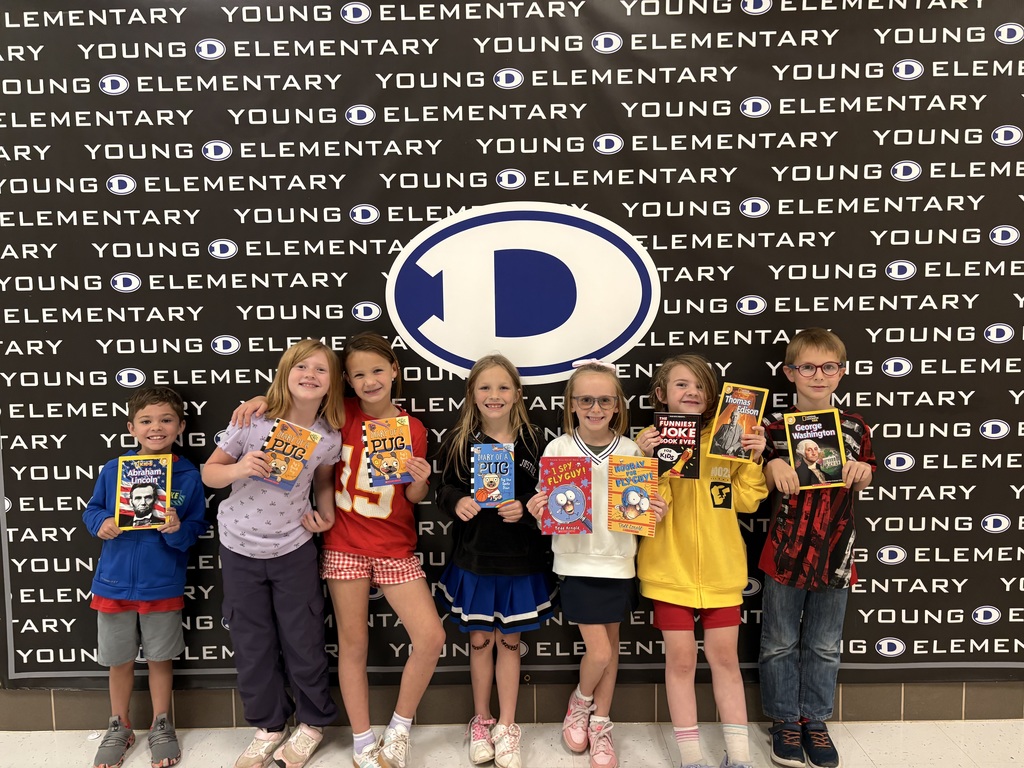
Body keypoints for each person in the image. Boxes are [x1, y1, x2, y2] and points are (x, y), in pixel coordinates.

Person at [233, 332, 445, 768]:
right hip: (345, 544)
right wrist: (261, 400)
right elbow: (295, 416)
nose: (369, 381)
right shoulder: (336, 416)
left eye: (377, 371)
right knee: (352, 644)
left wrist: (420, 479)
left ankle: (400, 728)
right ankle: (363, 740)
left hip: (394, 546)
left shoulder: (414, 428)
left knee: (431, 637)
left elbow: (412, 497)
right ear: (346, 381)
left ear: (395, 373)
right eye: (358, 374)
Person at [203, 340, 345, 768]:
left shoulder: (327, 437)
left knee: (303, 640)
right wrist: (239, 468)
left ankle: (313, 724)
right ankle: (268, 725)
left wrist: (327, 514)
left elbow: (322, 482)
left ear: (331, 384)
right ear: (285, 373)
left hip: (294, 548)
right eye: (301, 366)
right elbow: (210, 473)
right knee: (251, 642)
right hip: (239, 547)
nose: (310, 375)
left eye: (321, 370)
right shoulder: (251, 421)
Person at [526, 360, 666, 768]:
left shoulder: (632, 451)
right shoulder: (558, 449)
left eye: (605, 399)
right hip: (575, 562)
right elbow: (548, 505)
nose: (595, 407)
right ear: (570, 403)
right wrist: (539, 509)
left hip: (620, 562)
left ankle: (601, 722)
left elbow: (640, 506)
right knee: (600, 651)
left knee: (611, 646)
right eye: (585, 399)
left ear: (618, 405)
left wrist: (655, 510)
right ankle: (580, 702)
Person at [635, 355, 768, 768]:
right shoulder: (648, 440)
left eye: (699, 386)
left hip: (722, 571)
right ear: (661, 394)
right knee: (680, 661)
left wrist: (753, 457)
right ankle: (691, 758)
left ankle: (740, 757)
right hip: (667, 571)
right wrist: (647, 464)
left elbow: (746, 500)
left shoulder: (731, 436)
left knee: (726, 660)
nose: (691, 392)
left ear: (711, 396)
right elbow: (640, 512)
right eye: (680, 385)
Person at [759, 329, 875, 768]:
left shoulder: (856, 427)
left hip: (836, 552)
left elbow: (870, 471)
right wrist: (771, 463)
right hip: (786, 552)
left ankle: (816, 720)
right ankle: (785, 720)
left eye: (829, 367)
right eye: (807, 367)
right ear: (790, 373)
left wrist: (863, 470)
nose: (818, 375)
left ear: (842, 373)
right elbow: (749, 483)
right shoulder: (770, 430)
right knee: (779, 642)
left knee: (825, 645)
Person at [435, 354, 555, 768]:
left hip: (520, 562)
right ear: (472, 393)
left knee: (510, 643)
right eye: (485, 387)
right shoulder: (457, 439)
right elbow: (443, 488)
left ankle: (507, 724)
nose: (494, 395)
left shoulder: (538, 441)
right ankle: (481, 719)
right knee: (480, 641)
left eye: (504, 387)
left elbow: (553, 495)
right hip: (475, 561)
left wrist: (525, 506)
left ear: (518, 394)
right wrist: (459, 501)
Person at [83, 386, 208, 768]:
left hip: (162, 583)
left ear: (181, 426)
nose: (157, 427)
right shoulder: (114, 469)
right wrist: (101, 522)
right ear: (131, 428)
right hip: (114, 583)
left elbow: (196, 526)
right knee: (118, 660)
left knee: (159, 658)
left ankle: (161, 723)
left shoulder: (188, 475)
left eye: (166, 420)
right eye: (147, 421)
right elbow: (92, 510)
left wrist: (176, 528)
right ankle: (118, 724)